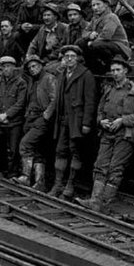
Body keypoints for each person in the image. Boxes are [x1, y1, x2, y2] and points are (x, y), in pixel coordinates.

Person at [77, 56, 134, 212]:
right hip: (107, 133)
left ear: (125, 71)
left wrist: (122, 120)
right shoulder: (109, 89)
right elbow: (100, 110)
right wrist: (101, 121)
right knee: (100, 165)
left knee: (115, 168)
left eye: (118, 70)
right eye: (113, 70)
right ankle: (95, 200)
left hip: (125, 135)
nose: (115, 73)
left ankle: (105, 203)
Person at [50, 44, 97, 199]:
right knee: (60, 151)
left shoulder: (85, 75)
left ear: (78, 58)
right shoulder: (63, 74)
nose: (69, 59)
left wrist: (86, 123)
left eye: (72, 56)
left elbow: (90, 101)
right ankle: (58, 185)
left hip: (76, 121)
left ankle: (70, 185)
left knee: (75, 152)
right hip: (63, 120)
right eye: (66, 56)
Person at [14, 55, 56, 190]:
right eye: (30, 67)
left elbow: (55, 99)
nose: (32, 69)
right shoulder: (32, 80)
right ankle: (39, 182)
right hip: (30, 117)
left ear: (41, 65)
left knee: (25, 144)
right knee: (37, 150)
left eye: (35, 66)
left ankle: (26, 177)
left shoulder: (48, 78)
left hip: (40, 118)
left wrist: (46, 116)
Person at [81, 0, 131, 74]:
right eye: (93, 5)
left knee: (96, 45)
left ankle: (109, 67)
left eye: (98, 4)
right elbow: (84, 33)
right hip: (103, 44)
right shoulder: (95, 19)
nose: (95, 7)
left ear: (106, 5)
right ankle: (93, 69)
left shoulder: (111, 17)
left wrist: (91, 42)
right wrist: (90, 35)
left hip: (119, 47)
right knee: (81, 43)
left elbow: (106, 36)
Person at [27, 3, 69, 70]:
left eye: (49, 15)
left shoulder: (64, 28)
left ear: (55, 17)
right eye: (44, 15)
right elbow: (33, 44)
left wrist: (47, 59)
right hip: (44, 58)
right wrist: (29, 56)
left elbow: (64, 46)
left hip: (59, 58)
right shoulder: (42, 29)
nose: (46, 18)